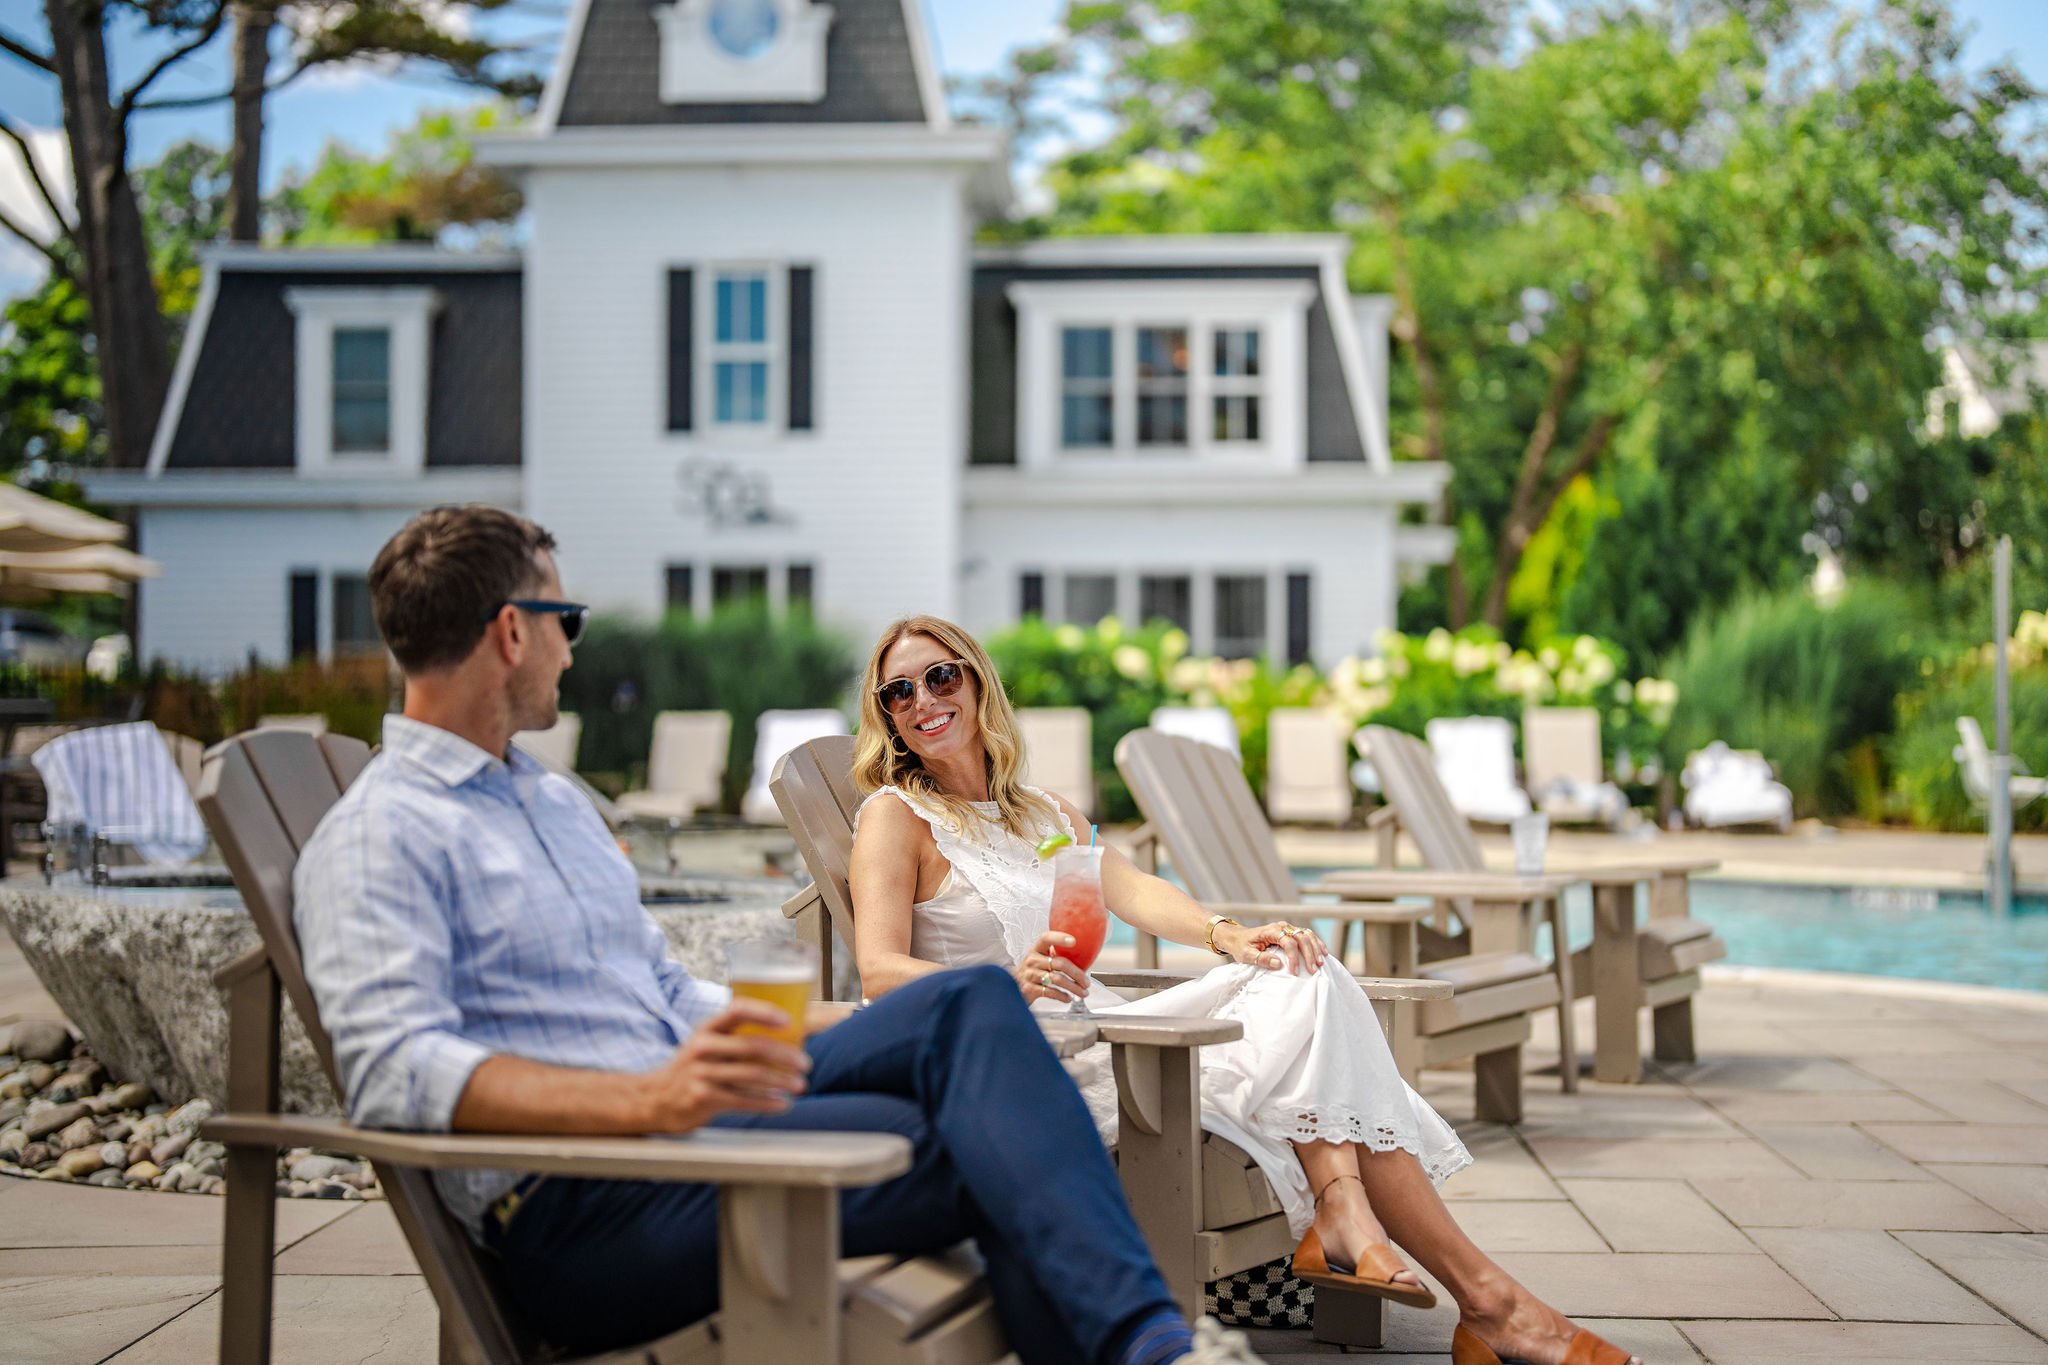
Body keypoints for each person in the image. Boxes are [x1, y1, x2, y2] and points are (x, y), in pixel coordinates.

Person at [291, 506, 1261, 1365]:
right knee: (994, 1140)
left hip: (699, 1129)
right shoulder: (383, 834)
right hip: (585, 1204)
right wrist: (643, 1100)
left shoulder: (552, 806)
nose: (572, 651)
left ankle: (1147, 1349)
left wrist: (846, 1029)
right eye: (564, 622)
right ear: (511, 633)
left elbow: (667, 999)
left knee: (970, 1012)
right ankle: (1153, 1349)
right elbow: (391, 1073)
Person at [847, 616, 1639, 1365]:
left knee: (1300, 968)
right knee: (1312, 1038)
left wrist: (1230, 934)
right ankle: (1478, 1295)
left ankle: (1362, 1222)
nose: (923, 701)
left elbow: (1129, 887)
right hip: (1029, 1058)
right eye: (899, 692)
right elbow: (877, 970)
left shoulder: (1041, 811)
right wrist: (996, 985)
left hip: (1101, 1018)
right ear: (885, 715)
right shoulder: (896, 817)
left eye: (939, 675)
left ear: (976, 682)